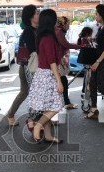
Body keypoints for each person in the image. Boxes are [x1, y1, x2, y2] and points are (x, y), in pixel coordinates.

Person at [27, 9, 64, 144]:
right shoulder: (48, 38)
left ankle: (48, 136)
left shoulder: (43, 36)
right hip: (48, 75)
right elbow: (51, 61)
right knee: (56, 105)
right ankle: (38, 126)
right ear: (51, 21)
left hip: (42, 74)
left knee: (47, 107)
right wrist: (59, 81)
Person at [6, 4, 39, 126]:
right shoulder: (29, 32)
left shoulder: (35, 30)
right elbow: (34, 51)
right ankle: (34, 120)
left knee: (24, 92)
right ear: (31, 16)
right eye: (36, 13)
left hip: (27, 67)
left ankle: (10, 114)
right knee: (32, 93)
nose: (38, 15)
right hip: (29, 68)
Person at [55, 16, 81, 110]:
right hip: (57, 60)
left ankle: (65, 101)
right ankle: (64, 102)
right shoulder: (59, 32)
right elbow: (66, 44)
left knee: (63, 81)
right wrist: (80, 46)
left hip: (58, 59)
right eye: (68, 24)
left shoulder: (59, 31)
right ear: (64, 24)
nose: (69, 26)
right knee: (62, 81)